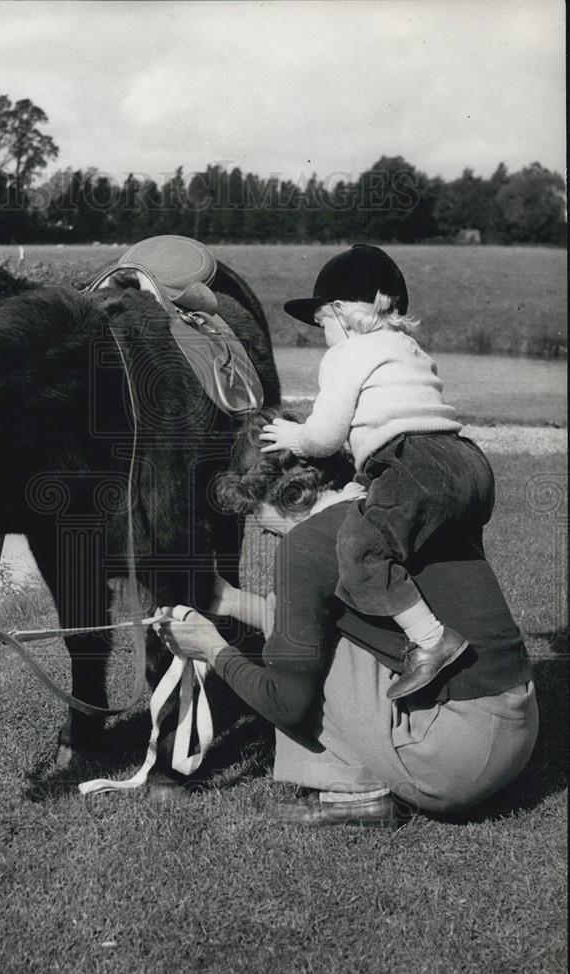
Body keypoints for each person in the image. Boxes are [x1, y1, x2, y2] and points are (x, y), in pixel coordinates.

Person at [155, 410, 537, 827]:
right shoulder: (386, 506)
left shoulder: (305, 544)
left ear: (287, 494)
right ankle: (373, 789)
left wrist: (211, 647)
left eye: (255, 511)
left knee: (301, 652)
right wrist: (226, 600)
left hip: (451, 767)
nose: (259, 528)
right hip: (515, 733)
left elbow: (287, 705)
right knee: (308, 627)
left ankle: (360, 787)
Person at [259, 244, 494, 699]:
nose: (321, 335)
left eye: (322, 323)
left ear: (342, 313)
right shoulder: (409, 348)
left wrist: (296, 437)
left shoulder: (346, 353)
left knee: (359, 549)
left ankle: (430, 641)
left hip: (415, 464)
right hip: (468, 463)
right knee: (436, 541)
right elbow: (393, 422)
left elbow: (327, 436)